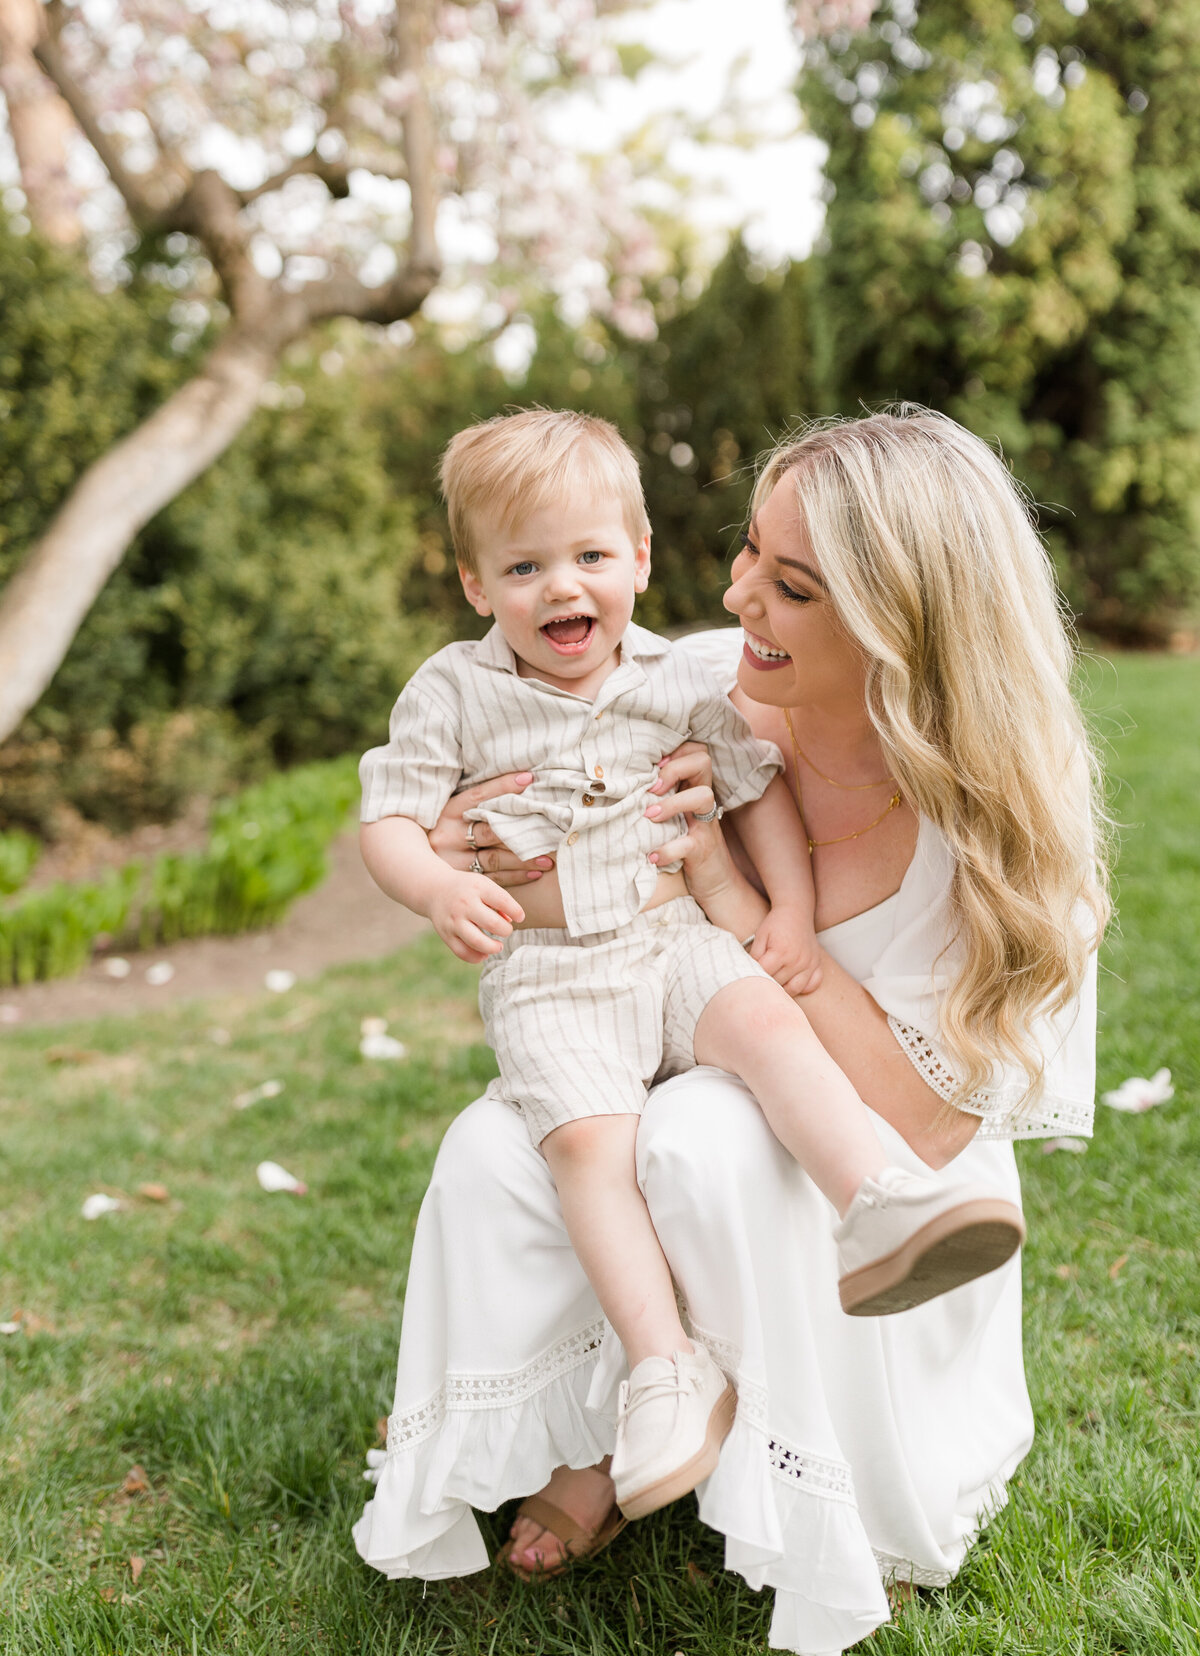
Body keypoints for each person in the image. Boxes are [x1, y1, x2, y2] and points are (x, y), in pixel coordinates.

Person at [354, 407, 1105, 1656]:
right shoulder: (698, 678)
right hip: (645, 1028)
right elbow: (483, 802)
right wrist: (452, 850)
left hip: (883, 1173)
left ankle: (835, 1473)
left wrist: (733, 896)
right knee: (510, 1145)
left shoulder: (1016, 839)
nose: (737, 591)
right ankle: (609, 1419)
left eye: (791, 584)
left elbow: (931, 1120)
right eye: (749, 551)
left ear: (898, 622)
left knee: (702, 1129)